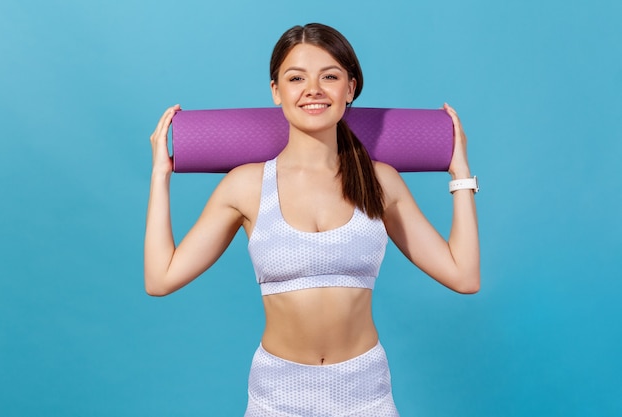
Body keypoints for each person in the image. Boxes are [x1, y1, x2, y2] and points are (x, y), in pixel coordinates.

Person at [145, 23, 479, 417]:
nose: (313, 89)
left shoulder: (380, 181)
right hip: (277, 397)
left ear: (350, 88)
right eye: (296, 78)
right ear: (276, 91)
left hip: (365, 395)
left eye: (330, 77)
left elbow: (463, 276)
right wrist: (160, 177)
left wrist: (461, 175)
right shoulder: (246, 186)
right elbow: (161, 278)